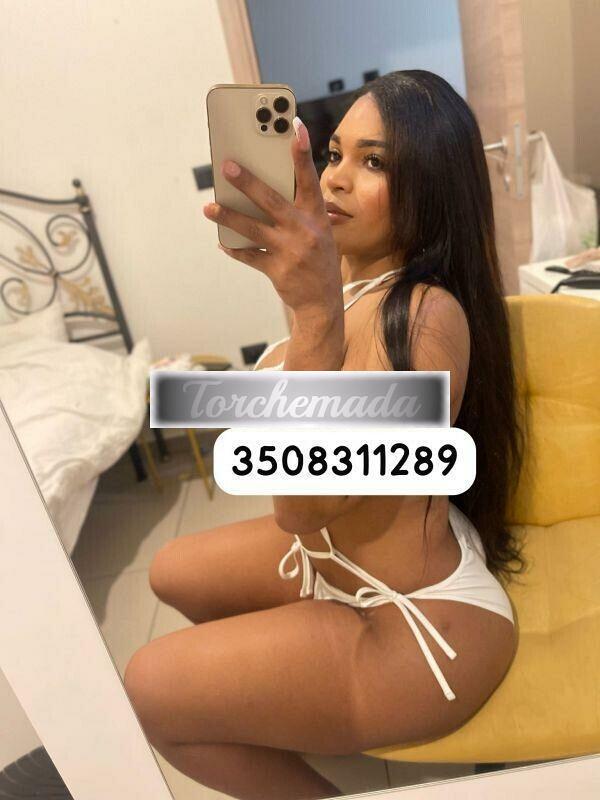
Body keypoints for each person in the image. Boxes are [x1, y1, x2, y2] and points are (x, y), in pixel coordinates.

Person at [124, 70, 527, 800]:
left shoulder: (425, 316)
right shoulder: (351, 279)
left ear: (432, 188)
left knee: (148, 686)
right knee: (171, 569)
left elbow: (300, 503)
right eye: (334, 153)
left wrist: (311, 313)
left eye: (374, 162)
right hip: (342, 564)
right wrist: (308, 295)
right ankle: (295, 698)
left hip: (418, 626)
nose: (335, 178)